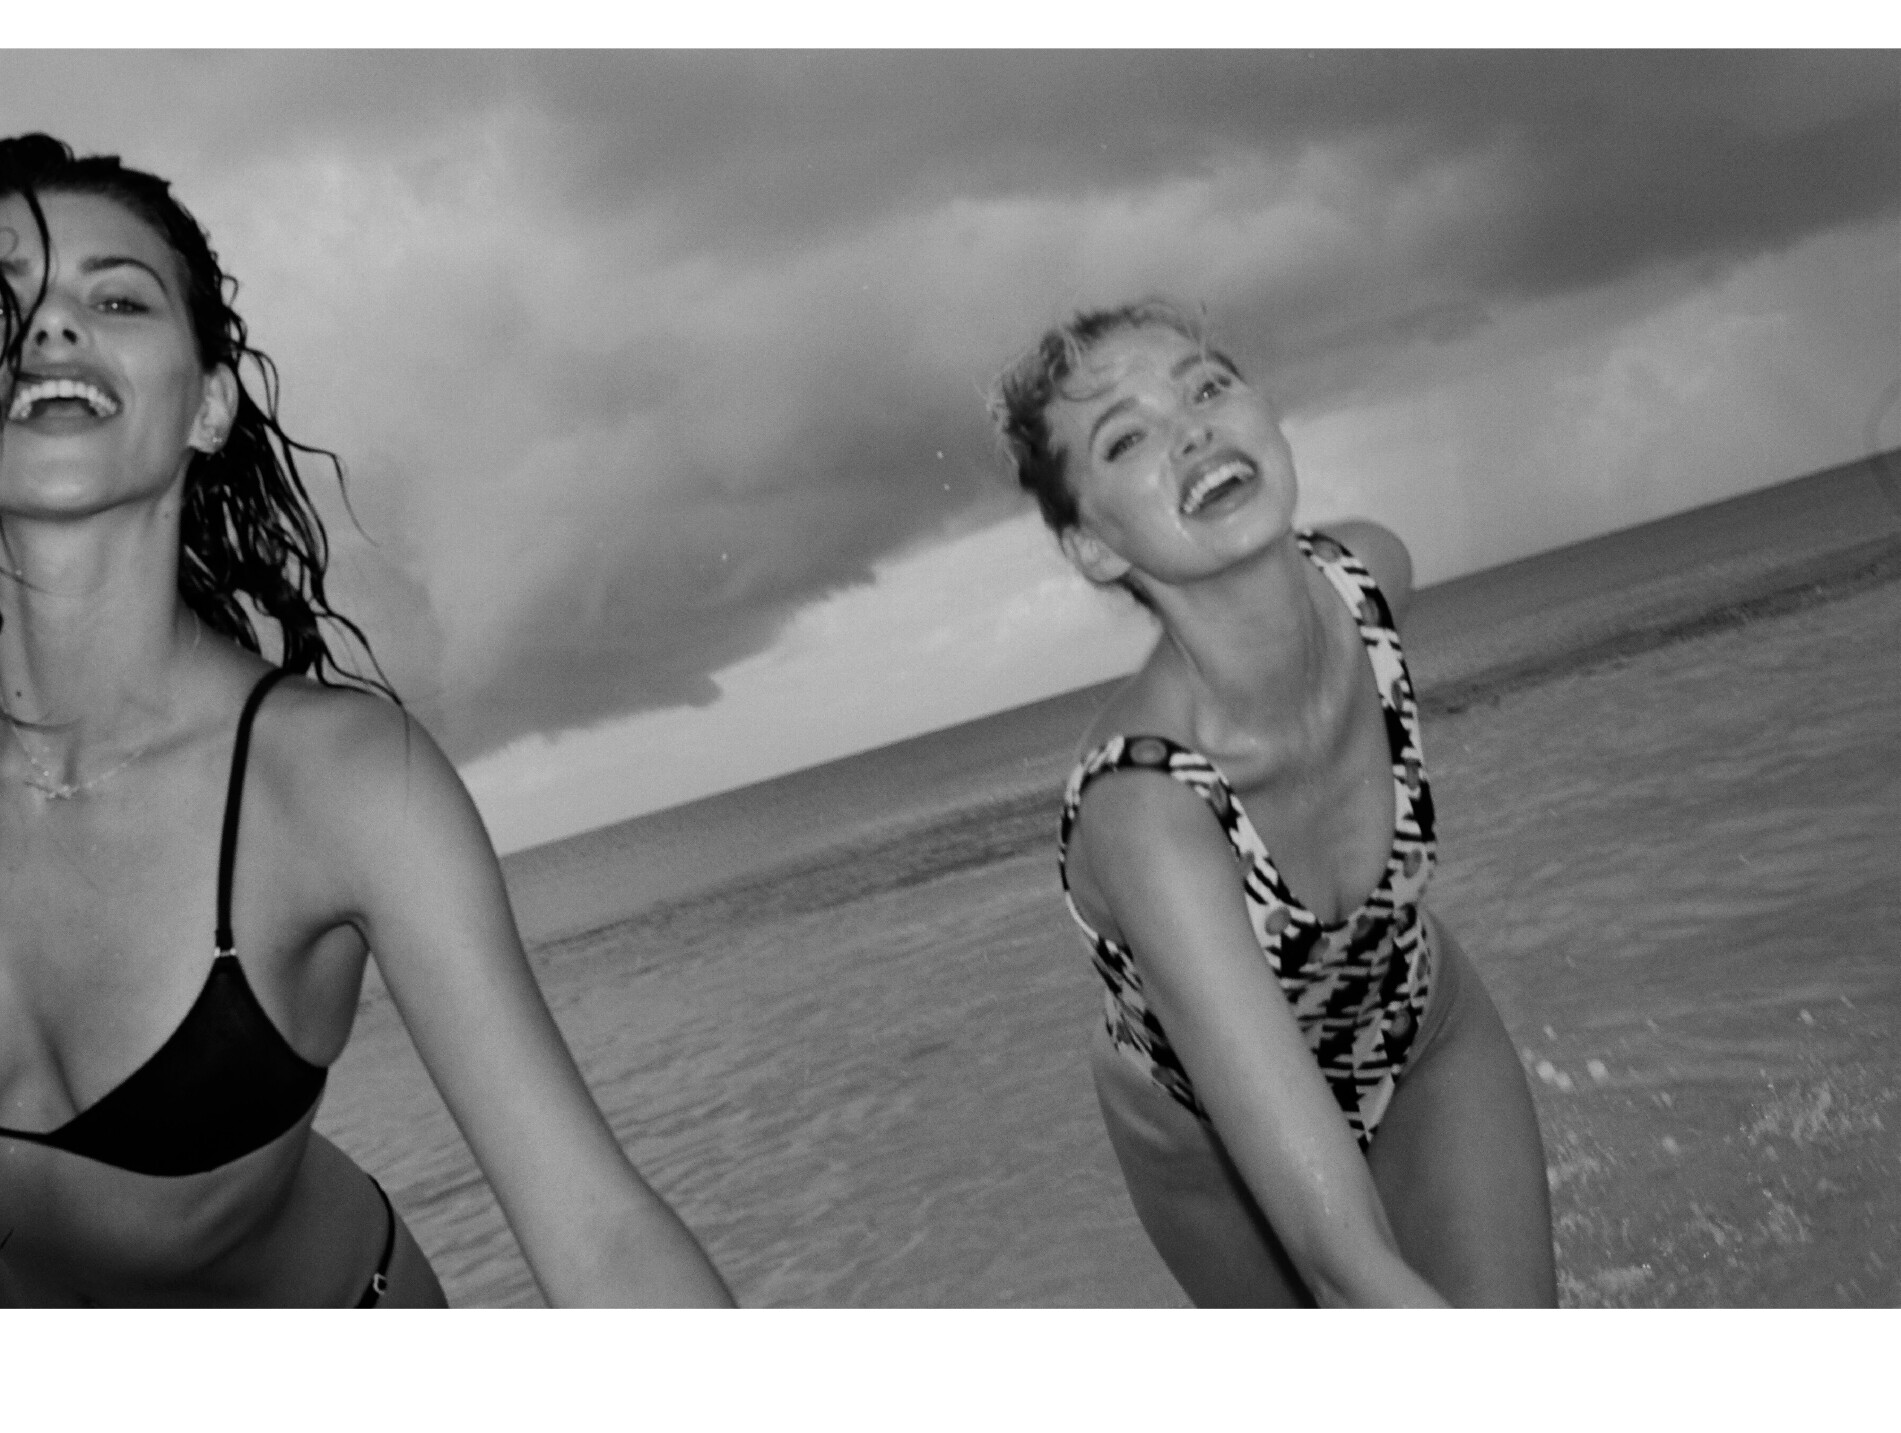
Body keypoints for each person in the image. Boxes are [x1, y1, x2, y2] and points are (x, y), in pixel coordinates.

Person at [0, 134, 732, 1307]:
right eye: (9, 295)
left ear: (208, 405)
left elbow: (599, 1234)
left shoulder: (340, 783)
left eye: (117, 298)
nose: (51, 326)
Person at [989, 300, 1556, 1307]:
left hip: (1419, 1031)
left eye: (1206, 386)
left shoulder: (1371, 575)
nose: (1191, 430)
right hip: (1209, 1152)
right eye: (1126, 438)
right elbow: (1344, 1262)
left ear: (1267, 418)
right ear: (1094, 547)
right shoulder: (1147, 809)